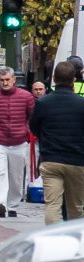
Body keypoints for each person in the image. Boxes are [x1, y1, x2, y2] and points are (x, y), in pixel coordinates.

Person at [30, 60, 84, 225]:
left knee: (52, 205)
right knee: (76, 207)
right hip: (77, 161)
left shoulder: (43, 103)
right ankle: (76, 243)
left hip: (51, 160)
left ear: (53, 78)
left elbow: (34, 127)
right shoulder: (81, 104)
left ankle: (54, 241)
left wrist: (46, 140)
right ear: (73, 80)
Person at [0, 67, 35, 219]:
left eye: (7, 80)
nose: (5, 83)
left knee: (16, 177)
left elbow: (33, 116)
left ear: (13, 80)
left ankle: (12, 205)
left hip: (19, 142)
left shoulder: (26, 97)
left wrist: (27, 131)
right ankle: (0, 203)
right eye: (2, 80)